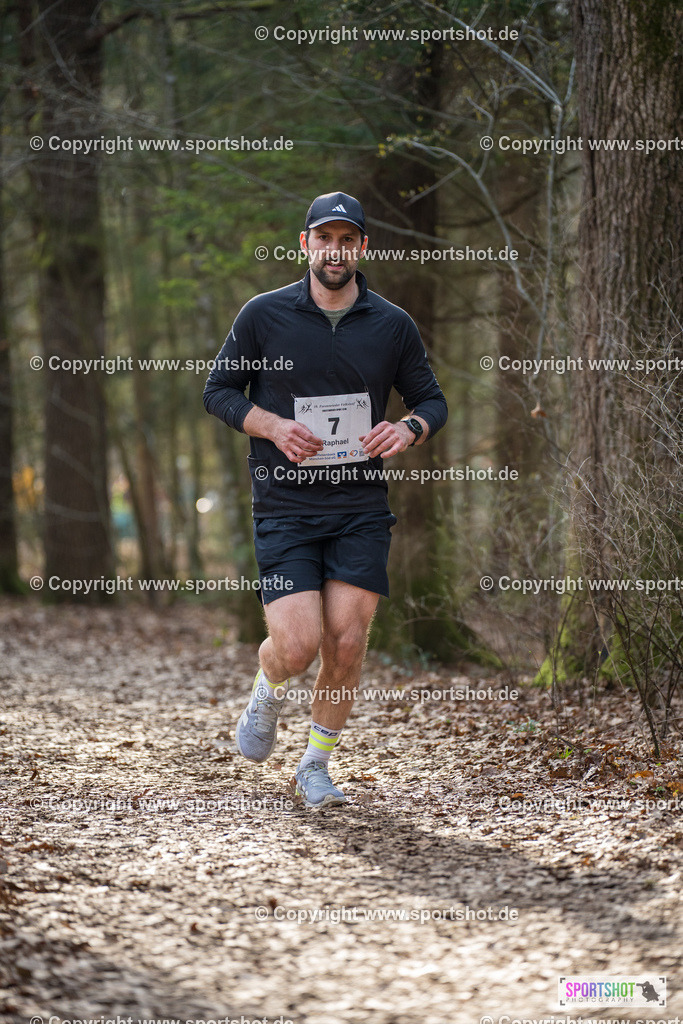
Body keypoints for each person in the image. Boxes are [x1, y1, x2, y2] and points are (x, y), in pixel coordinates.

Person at [203, 191, 447, 809]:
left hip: (360, 508)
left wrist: (408, 428)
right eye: (324, 238)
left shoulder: (392, 324)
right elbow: (220, 391)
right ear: (305, 244)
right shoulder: (263, 315)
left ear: (361, 248)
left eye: (347, 240)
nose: (335, 251)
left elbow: (432, 401)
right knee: (298, 645)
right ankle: (267, 687)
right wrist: (273, 425)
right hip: (284, 504)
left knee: (345, 642)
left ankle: (315, 765)